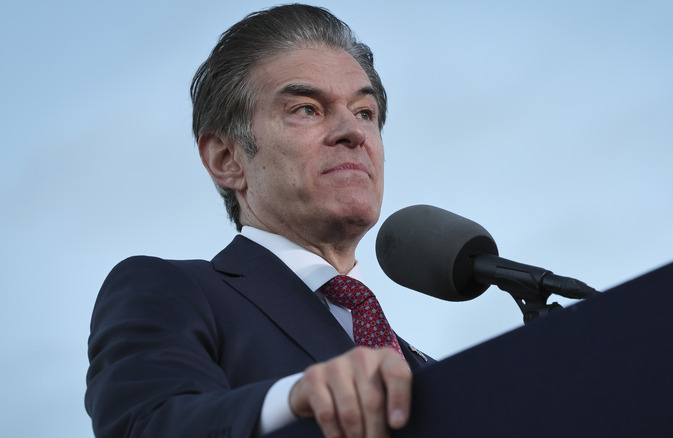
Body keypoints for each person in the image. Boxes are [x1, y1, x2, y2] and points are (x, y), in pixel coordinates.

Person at [85, 5, 432, 438]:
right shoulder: (170, 291)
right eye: (307, 109)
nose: (354, 132)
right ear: (226, 159)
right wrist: (292, 401)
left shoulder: (422, 367)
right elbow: (148, 424)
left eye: (365, 112)